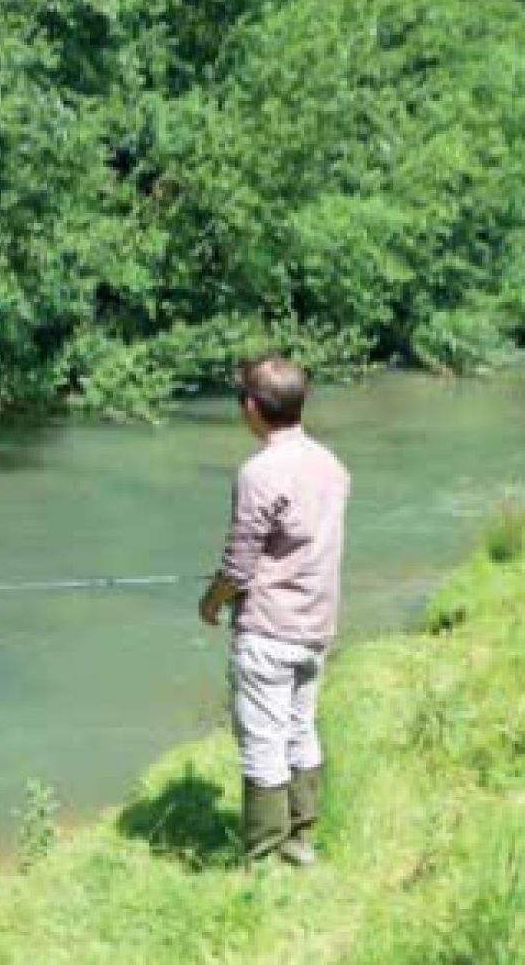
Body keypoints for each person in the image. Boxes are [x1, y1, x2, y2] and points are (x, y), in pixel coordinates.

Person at [198, 355, 350, 867]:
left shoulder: (259, 472)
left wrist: (210, 602)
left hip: (268, 630)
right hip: (317, 626)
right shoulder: (333, 467)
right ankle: (302, 841)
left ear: (251, 408)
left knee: (263, 743)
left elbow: (238, 567)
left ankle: (262, 861)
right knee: (300, 729)